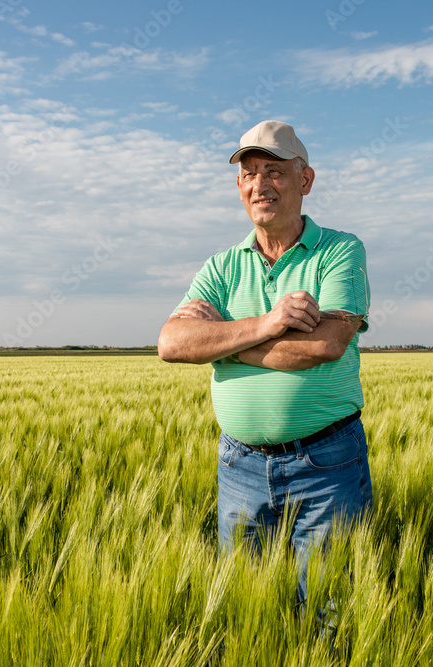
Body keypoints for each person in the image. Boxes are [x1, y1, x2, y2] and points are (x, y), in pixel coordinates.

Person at [157, 119, 372, 605]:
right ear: (238, 187)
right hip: (240, 466)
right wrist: (273, 322)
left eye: (274, 171)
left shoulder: (339, 251)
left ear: (306, 180)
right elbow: (172, 343)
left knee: (327, 609)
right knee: (248, 605)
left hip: (324, 465)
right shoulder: (221, 265)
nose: (260, 185)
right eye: (250, 174)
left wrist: (221, 340)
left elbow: (324, 346)